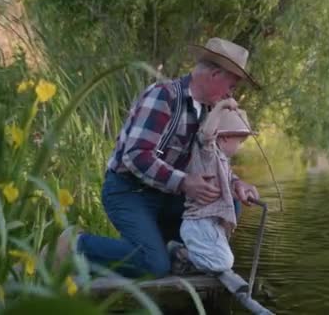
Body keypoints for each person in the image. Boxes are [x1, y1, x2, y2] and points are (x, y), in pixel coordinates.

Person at [56, 38, 261, 278]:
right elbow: (136, 155)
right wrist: (185, 182)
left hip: (166, 196)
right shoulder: (164, 96)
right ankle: (77, 246)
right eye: (232, 85)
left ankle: (176, 252)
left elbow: (214, 160)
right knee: (154, 266)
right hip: (129, 192)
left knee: (231, 202)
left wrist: (236, 184)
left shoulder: (208, 113)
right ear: (215, 75)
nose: (231, 93)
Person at [178, 98, 252, 273]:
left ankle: (191, 255)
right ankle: (182, 253)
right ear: (225, 137)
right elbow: (206, 135)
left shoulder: (222, 159)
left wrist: (240, 189)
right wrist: (221, 106)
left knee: (226, 259)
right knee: (224, 262)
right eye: (239, 142)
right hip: (199, 222)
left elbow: (226, 184)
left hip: (211, 222)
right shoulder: (208, 153)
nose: (240, 147)